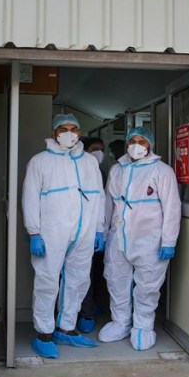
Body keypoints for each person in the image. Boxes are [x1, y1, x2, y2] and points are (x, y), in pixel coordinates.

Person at [22, 114, 106, 358]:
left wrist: (99, 228)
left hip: (86, 230)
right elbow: (29, 197)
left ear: (80, 133)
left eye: (73, 129)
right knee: (47, 281)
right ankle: (44, 333)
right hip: (52, 231)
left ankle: (67, 329)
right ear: (54, 131)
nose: (69, 133)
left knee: (79, 280)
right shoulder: (40, 161)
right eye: (63, 128)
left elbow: (99, 196)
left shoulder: (89, 162)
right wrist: (34, 232)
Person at [99, 126, 180, 351]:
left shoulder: (162, 171)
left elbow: (172, 207)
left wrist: (168, 241)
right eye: (132, 141)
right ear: (126, 144)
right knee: (116, 280)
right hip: (118, 237)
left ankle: (143, 325)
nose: (137, 146)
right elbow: (108, 202)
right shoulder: (116, 169)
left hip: (150, 239)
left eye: (142, 142)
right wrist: (102, 231)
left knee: (148, 284)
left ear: (150, 145)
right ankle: (121, 322)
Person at [77, 137, 108, 333]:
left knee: (94, 272)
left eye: (101, 149)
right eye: (94, 149)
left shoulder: (102, 172)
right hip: (76, 231)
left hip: (96, 231)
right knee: (79, 275)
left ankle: (89, 311)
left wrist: (101, 231)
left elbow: (103, 202)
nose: (98, 152)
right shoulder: (77, 169)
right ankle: (84, 313)